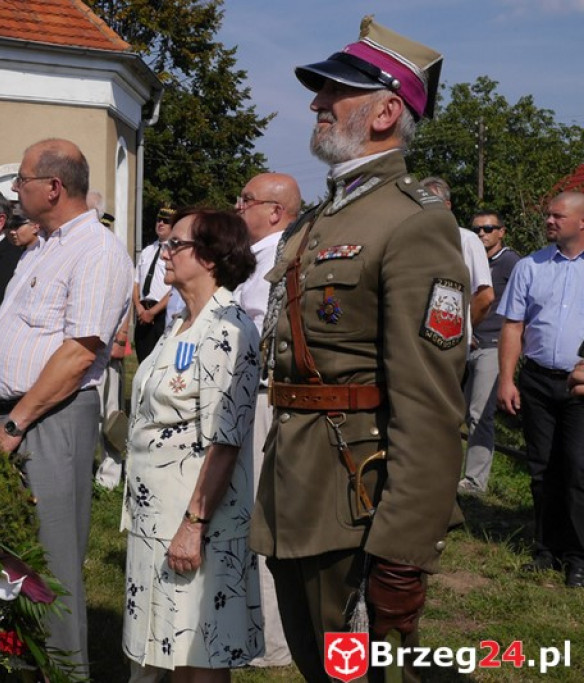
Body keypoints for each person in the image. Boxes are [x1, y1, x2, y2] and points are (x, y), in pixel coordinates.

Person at [248, 17, 468, 682]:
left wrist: (404, 550)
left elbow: (430, 405)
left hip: (356, 498)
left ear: (385, 112)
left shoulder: (413, 223)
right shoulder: (325, 217)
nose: (317, 103)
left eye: (335, 91)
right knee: (320, 666)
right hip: (296, 483)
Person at [0, 138, 133, 677]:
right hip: (10, 414)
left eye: (21, 180)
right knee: (8, 547)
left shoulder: (96, 250)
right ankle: (20, 664)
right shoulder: (41, 246)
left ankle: (64, 671)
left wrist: (15, 422)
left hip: (49, 417)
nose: (15, 190)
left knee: (51, 557)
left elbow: (78, 353)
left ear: (54, 187)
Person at [121, 208, 262, 682]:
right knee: (172, 644)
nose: (165, 252)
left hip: (196, 516)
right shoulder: (182, 321)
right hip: (158, 513)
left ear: (209, 257)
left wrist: (193, 524)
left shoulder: (227, 328)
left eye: (176, 244)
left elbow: (226, 439)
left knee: (199, 648)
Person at [496, 191, 584, 588]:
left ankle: (578, 556)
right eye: (548, 214)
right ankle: (546, 549)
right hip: (537, 381)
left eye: (557, 216)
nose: (549, 220)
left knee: (577, 469)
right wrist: (506, 379)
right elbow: (513, 325)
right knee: (542, 468)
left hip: (579, 385)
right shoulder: (530, 266)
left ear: (581, 222)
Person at [232, 172, 301, 669]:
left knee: (258, 516)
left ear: (275, 212)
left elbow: (263, 335)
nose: (237, 206)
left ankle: (270, 639)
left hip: (263, 398)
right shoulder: (256, 258)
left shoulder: (282, 259)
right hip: (247, 397)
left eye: (246, 199)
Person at [458, 209, 520, 495]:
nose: (481, 233)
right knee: (457, 412)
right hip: (468, 343)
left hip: (494, 344)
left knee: (479, 413)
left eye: (488, 228)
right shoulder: (471, 258)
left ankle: (474, 480)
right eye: (477, 229)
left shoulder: (510, 262)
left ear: (501, 232)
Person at [421, 176, 494, 328]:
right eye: (419, 202)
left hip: (449, 335)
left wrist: (464, 329)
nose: (424, 208)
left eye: (430, 202)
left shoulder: (467, 240)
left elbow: (485, 297)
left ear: (447, 205)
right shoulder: (411, 241)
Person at [132, 208, 174, 361]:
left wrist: (153, 312)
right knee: (142, 360)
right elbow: (135, 283)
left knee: (160, 360)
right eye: (158, 220)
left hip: (162, 314)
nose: (161, 223)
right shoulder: (147, 251)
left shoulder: (174, 252)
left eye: (166, 221)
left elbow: (174, 289)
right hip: (142, 312)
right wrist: (139, 307)